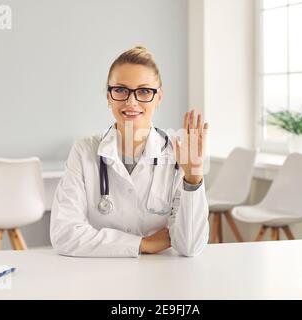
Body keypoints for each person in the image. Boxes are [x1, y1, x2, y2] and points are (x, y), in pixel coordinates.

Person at [50, 46, 209, 257]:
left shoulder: (178, 155)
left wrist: (193, 178)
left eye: (144, 91)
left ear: (158, 97)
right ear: (109, 96)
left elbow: (189, 247)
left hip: (162, 278)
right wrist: (142, 244)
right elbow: (64, 234)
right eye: (121, 90)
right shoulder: (84, 151)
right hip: (99, 277)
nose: (131, 101)